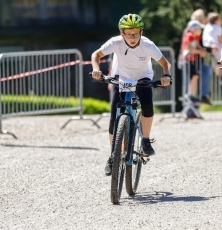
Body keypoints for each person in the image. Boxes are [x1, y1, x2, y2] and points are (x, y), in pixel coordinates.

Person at [91, 13, 171, 176]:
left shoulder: (148, 45)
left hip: (142, 77)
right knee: (114, 117)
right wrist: (95, 69)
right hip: (120, 78)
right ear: (122, 34)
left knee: (147, 104)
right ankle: (113, 155)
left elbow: (165, 64)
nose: (132, 37)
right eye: (128, 34)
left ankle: (146, 140)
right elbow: (96, 55)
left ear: (141, 32)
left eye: (135, 33)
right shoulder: (116, 42)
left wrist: (166, 76)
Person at [181, 19, 212, 105]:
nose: (201, 30)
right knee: (193, 76)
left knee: (195, 76)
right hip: (188, 60)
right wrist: (200, 52)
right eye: (199, 28)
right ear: (194, 29)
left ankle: (193, 95)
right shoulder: (189, 35)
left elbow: (198, 46)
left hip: (193, 60)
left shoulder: (196, 36)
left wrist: (203, 51)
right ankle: (191, 94)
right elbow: (189, 48)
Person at [202, 12, 222, 87]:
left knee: (214, 63)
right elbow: (220, 40)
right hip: (215, 46)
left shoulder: (206, 26)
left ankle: (218, 73)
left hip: (206, 46)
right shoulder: (217, 27)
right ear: (216, 20)